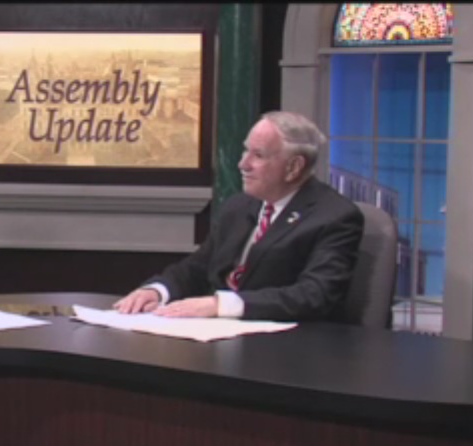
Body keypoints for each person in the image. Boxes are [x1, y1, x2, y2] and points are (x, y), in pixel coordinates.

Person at [114, 111, 364, 322]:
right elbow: (198, 266)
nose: (243, 164)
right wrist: (158, 291)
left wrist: (221, 305)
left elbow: (315, 294)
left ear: (294, 167)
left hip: (289, 348)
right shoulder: (239, 206)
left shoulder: (334, 216)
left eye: (258, 155)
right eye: (246, 151)